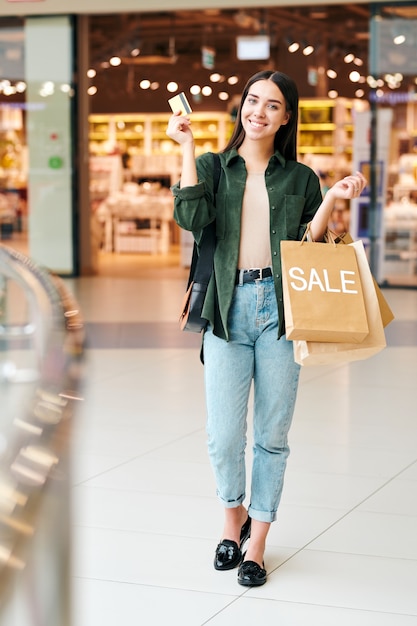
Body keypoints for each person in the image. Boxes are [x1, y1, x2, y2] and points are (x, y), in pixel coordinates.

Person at [166, 70, 367, 587]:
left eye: (272, 105)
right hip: (225, 306)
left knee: (272, 435)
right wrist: (186, 148)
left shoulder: (299, 177)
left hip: (280, 309)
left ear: (285, 117)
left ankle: (256, 544)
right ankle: (231, 525)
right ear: (243, 107)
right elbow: (190, 218)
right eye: (252, 100)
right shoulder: (214, 167)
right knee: (224, 434)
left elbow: (306, 244)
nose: (258, 111)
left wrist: (331, 198)